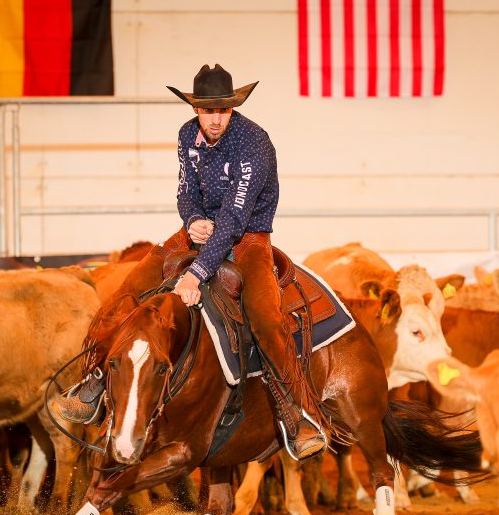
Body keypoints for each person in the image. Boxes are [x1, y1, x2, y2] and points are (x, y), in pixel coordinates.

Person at [55, 64, 329, 460]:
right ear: (196, 109)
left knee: (267, 317)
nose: (216, 118)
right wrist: (193, 219)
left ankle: (295, 412)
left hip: (248, 237)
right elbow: (185, 190)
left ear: (232, 109)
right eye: (207, 110)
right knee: (127, 291)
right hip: (197, 229)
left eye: (223, 110)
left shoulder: (254, 143)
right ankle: (94, 382)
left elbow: (235, 217)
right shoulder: (187, 135)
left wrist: (197, 273)